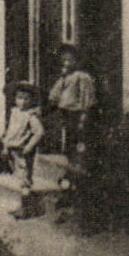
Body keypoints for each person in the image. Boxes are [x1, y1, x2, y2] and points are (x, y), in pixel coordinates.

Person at [46, 45, 97, 219]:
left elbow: (87, 101)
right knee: (68, 151)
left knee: (78, 153)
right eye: (64, 59)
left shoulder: (82, 78)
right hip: (66, 117)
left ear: (77, 61)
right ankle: (69, 191)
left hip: (77, 118)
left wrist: (83, 120)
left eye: (70, 59)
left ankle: (76, 194)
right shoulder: (64, 79)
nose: (66, 62)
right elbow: (53, 97)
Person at [3, 81, 46, 219]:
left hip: (23, 151)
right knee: (19, 177)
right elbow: (10, 131)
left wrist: (29, 146)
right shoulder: (15, 113)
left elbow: (39, 132)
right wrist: (5, 145)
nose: (22, 102)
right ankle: (25, 205)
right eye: (19, 98)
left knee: (25, 179)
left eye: (26, 98)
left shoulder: (30, 116)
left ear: (32, 100)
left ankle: (26, 208)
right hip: (13, 149)